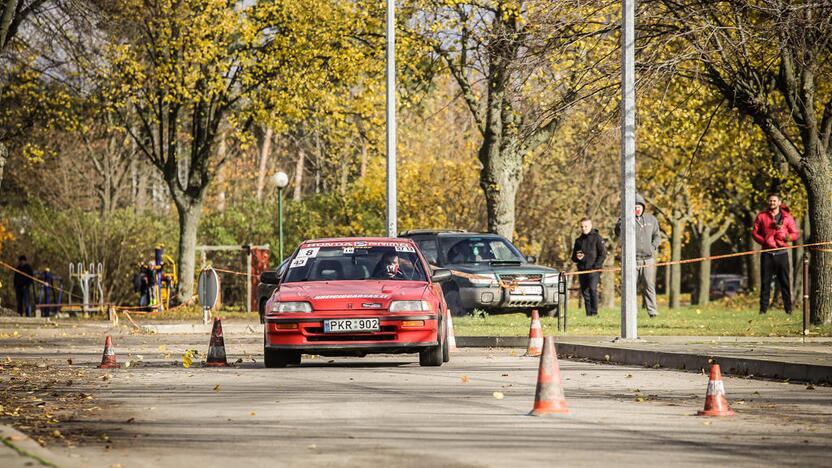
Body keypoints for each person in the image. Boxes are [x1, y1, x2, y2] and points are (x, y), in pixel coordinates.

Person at [615, 193, 662, 317]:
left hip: (648, 260)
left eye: (639, 206)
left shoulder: (651, 219)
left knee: (649, 286)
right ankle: (631, 313)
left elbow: (657, 236)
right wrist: (621, 221)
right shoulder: (626, 220)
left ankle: (652, 312)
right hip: (632, 260)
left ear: (643, 207)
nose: (637, 208)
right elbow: (618, 233)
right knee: (630, 287)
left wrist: (653, 247)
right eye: (635, 206)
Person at [751, 193, 799, 314]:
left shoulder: (787, 217)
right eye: (770, 201)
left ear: (779, 202)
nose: (772, 203)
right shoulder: (761, 216)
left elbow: (795, 233)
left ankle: (789, 310)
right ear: (768, 202)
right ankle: (763, 310)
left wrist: (787, 237)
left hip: (782, 253)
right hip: (767, 253)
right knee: (765, 283)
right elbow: (755, 233)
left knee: (785, 283)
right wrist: (765, 241)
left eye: (774, 201)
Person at [571, 218, 607, 316]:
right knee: (585, 293)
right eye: (582, 226)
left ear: (590, 226)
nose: (584, 228)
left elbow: (603, 254)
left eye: (586, 226)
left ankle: (594, 313)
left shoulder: (597, 238)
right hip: (582, 270)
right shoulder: (578, 241)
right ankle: (589, 314)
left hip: (594, 270)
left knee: (592, 289)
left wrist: (596, 267)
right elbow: (573, 257)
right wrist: (578, 258)